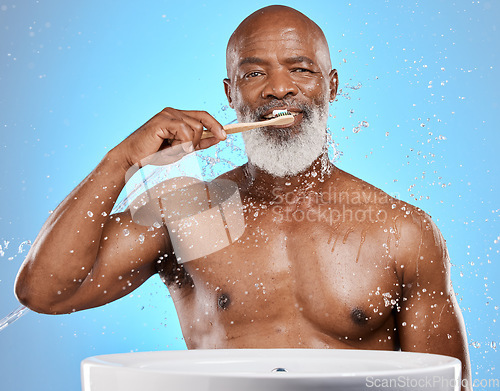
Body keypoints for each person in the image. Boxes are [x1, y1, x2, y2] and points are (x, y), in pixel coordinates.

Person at [15, 5, 472, 388]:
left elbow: (443, 383)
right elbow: (44, 293)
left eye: (301, 69)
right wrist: (122, 160)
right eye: (255, 73)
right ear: (232, 94)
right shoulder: (189, 212)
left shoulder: (400, 229)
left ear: (331, 86)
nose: (278, 88)